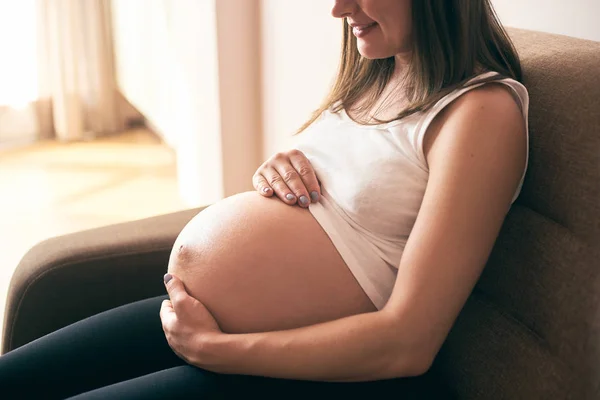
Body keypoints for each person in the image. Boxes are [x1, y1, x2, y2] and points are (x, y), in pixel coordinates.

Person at [0, 0, 529, 398]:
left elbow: (408, 341)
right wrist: (274, 173)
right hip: (207, 327)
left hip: (313, 373)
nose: (338, 8)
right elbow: (342, 208)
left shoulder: (481, 111)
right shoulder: (381, 71)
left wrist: (217, 351)